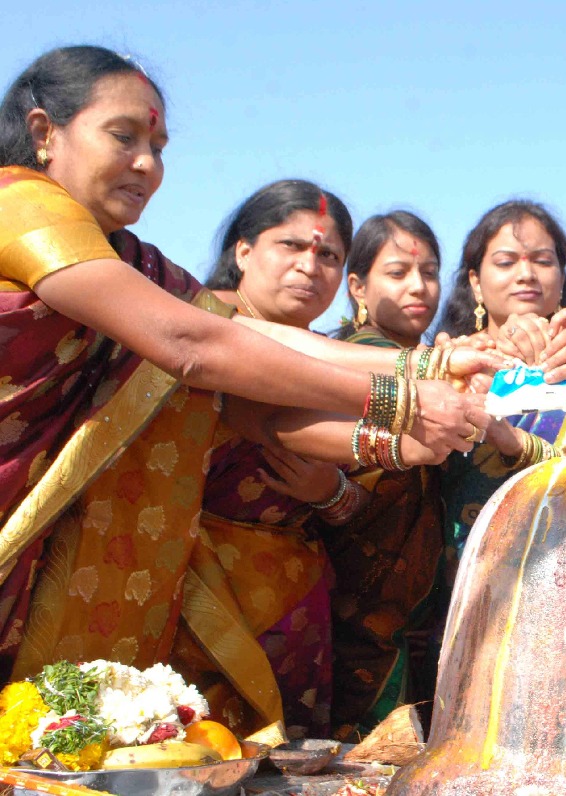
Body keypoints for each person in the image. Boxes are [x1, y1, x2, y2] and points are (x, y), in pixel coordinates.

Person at [0, 46, 491, 740]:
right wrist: (399, 405)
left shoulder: (128, 262)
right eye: (124, 136)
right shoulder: (19, 205)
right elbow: (195, 349)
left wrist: (420, 374)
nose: (147, 164)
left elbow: (237, 334)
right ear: (46, 131)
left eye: (159, 146)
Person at [192, 180, 355, 738]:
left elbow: (349, 507)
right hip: (196, 590)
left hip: (294, 602)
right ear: (243, 251)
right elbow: (271, 422)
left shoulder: (335, 358)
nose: (310, 265)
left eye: (328, 254)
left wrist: (329, 492)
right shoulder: (203, 324)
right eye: (291, 245)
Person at [325, 210, 451, 737]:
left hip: (419, 608)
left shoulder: (432, 358)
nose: (418, 287)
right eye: (397, 273)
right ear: (357, 286)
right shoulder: (350, 359)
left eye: (428, 272)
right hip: (359, 595)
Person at [434, 200, 566, 564]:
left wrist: (522, 446)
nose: (526, 274)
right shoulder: (449, 363)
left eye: (542, 261)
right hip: (462, 575)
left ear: (561, 279)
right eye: (506, 262)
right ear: (476, 283)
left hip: (565, 569)